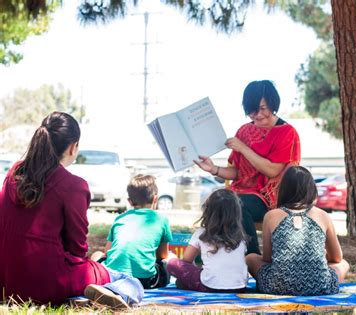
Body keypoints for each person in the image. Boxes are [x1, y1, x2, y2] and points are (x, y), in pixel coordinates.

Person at [0, 112, 143, 309]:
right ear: (73, 146)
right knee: (130, 281)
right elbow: (76, 248)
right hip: (47, 281)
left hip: (7, 280)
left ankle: (89, 292)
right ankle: (106, 293)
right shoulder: (74, 185)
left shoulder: (14, 173)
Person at [195, 80, 301, 254]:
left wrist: (243, 148)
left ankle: (252, 259)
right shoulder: (244, 131)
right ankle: (211, 260)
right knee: (213, 204)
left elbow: (272, 170)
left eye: (263, 108)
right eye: (252, 110)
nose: (258, 115)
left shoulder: (286, 132)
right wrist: (214, 169)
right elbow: (237, 173)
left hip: (271, 198)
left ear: (273, 104)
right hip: (241, 193)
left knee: (237, 205)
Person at [246, 166, 349, 296]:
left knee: (250, 258)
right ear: (312, 190)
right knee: (344, 264)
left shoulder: (271, 216)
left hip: (277, 287)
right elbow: (337, 257)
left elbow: (267, 258)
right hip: (320, 286)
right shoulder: (322, 215)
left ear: (283, 190)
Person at [91, 174, 173, 289]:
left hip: (111, 276)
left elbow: (107, 251)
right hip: (144, 281)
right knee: (170, 259)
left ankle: (97, 278)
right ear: (155, 198)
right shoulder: (161, 219)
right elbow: (163, 255)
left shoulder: (120, 218)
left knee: (97, 254)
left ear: (129, 201)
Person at [166, 189, 248, 292]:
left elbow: (186, 260)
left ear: (208, 211)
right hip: (239, 287)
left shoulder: (202, 233)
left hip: (209, 286)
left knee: (172, 263)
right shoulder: (240, 235)